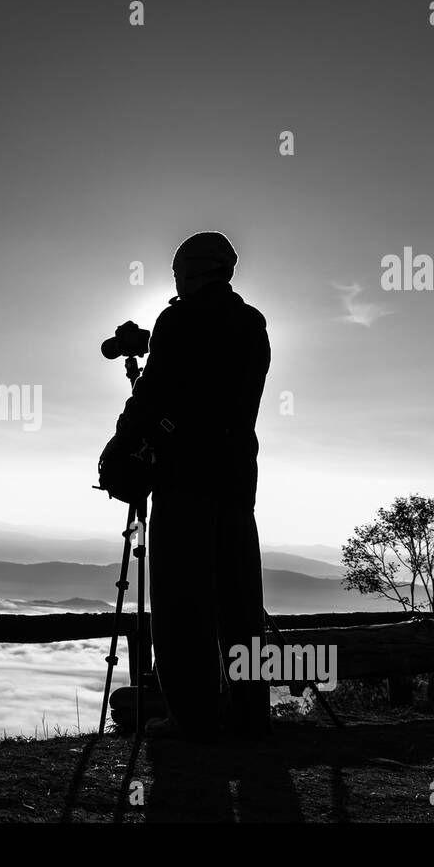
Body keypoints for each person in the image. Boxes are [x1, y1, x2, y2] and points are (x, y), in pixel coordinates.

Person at [109, 230, 271, 741]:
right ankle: (249, 714)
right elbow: (225, 396)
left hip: (184, 480)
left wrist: (121, 446)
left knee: (183, 604)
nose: (174, 281)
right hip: (237, 481)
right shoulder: (251, 324)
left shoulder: (178, 322)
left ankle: (192, 718)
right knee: (240, 603)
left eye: (178, 271)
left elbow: (155, 396)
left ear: (191, 271)